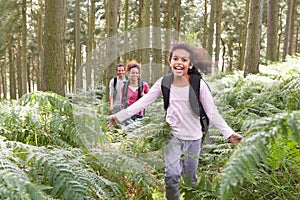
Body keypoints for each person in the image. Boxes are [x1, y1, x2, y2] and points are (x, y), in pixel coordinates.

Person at [108, 43, 243, 199]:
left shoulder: (198, 84)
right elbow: (142, 102)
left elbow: (212, 112)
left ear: (190, 64)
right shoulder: (164, 82)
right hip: (172, 136)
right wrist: (118, 117)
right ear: (170, 61)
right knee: (171, 176)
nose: (179, 62)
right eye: (175, 58)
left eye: (184, 60)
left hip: (194, 138)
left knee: (190, 179)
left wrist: (229, 134)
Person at [120, 60, 149, 125]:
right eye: (133, 73)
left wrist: (144, 96)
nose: (135, 75)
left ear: (139, 74)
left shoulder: (144, 85)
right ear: (128, 73)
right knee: (130, 132)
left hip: (139, 114)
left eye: (137, 73)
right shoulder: (124, 87)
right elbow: (121, 101)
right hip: (127, 114)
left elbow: (149, 99)